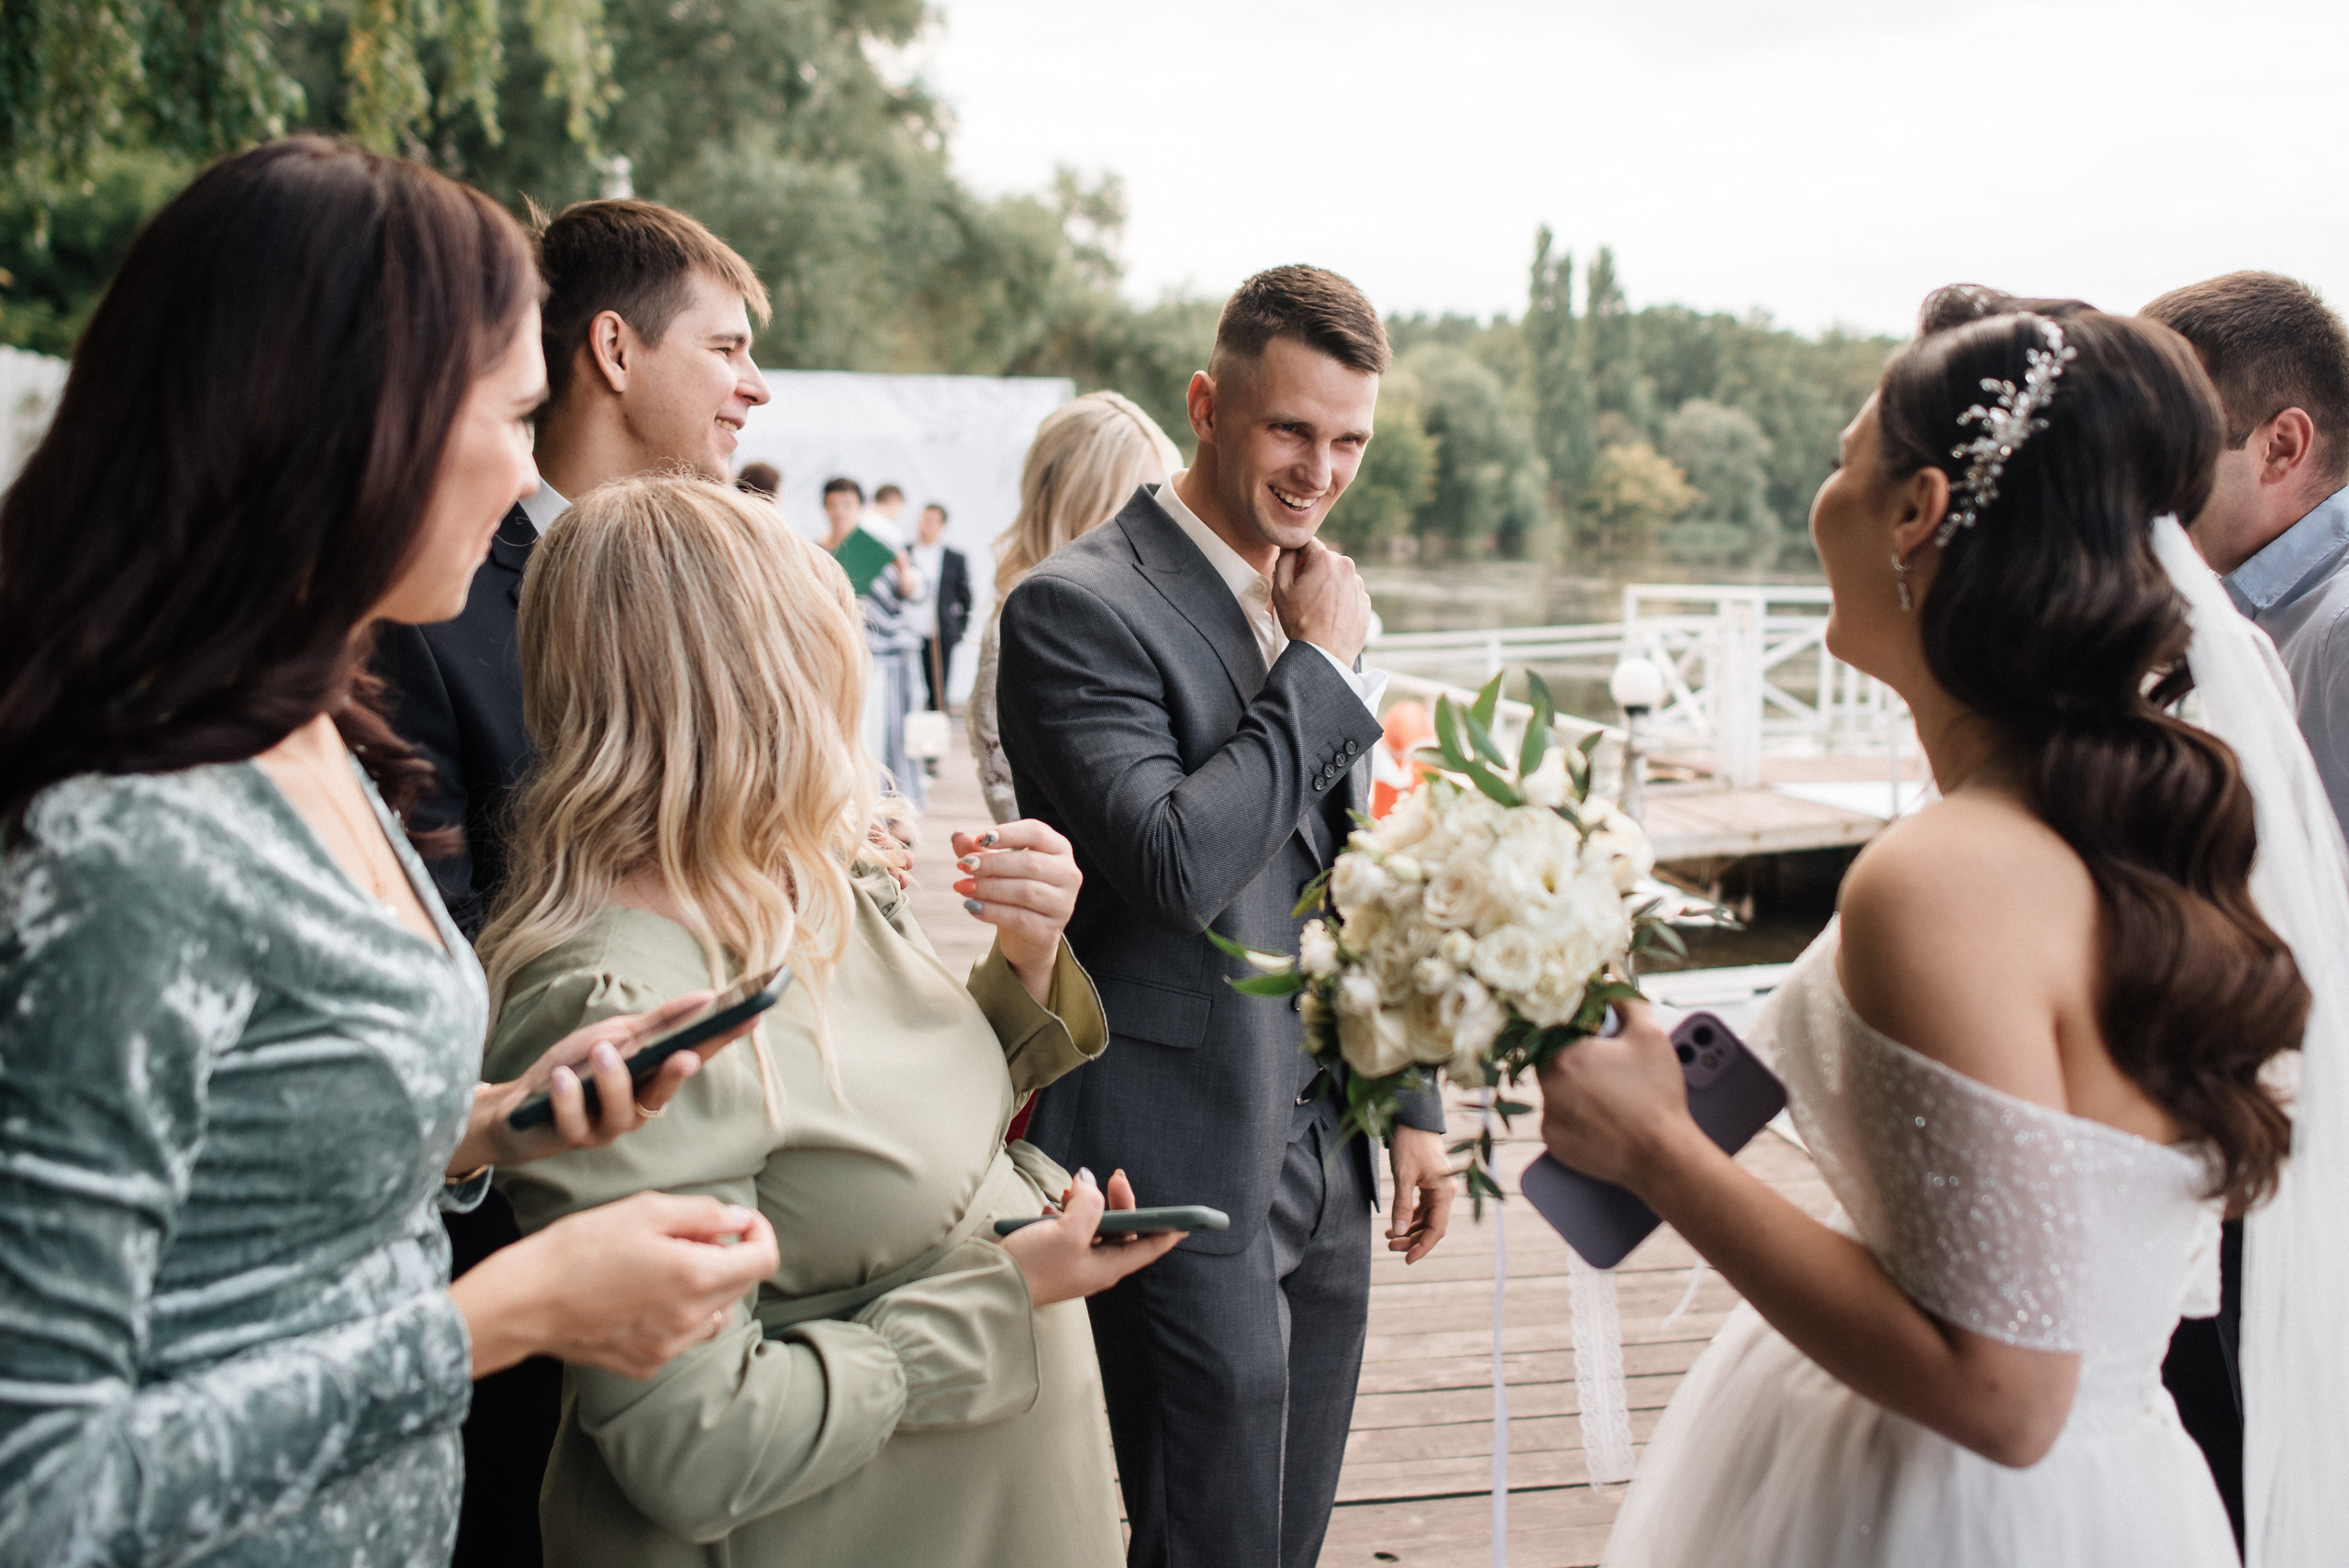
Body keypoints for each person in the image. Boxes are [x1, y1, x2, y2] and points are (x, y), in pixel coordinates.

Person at [0, 138, 780, 1567]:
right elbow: (38, 1485)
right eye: (507, 413)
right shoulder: (130, 848)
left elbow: (255, 1143)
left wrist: (497, 1118)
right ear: (353, 422)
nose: (525, 462)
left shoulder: (313, 730)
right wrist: (507, 1314)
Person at [1543, 295, 2304, 1567]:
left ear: (1918, 510)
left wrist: (1663, 1150)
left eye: (1845, 462)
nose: (1822, 498)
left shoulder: (1946, 876)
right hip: (2117, 1491)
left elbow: (2007, 1396)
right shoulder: (2108, 829)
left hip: (1960, 1512)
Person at [476, 474, 1178, 1567]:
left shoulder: (804, 879)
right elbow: (694, 1445)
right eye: (820, 659)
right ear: (745, 689)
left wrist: (1027, 956)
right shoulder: (623, 1007)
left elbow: (901, 1119)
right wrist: (1007, 1290)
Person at [996, 266, 1454, 1568]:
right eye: (1290, 430)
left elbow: (1354, 868)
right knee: (1207, 1536)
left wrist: (1411, 1103)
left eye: (1349, 440)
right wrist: (1319, 672)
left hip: (1327, 1158)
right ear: (1207, 403)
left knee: (1287, 1534)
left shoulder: (1321, 596)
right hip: (1170, 1150)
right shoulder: (1077, 606)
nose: (1320, 470)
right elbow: (1171, 863)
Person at [368, 195, 775, 1568]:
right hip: (484, 1251)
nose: (754, 385)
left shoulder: (708, 579)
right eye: (725, 348)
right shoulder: (430, 602)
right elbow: (439, 931)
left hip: (639, 1152)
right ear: (614, 349)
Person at [2140, 271, 2349, 1549]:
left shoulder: (2329, 635)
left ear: (2283, 444)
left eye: (2178, 437)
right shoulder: (2246, 629)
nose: (2147, 477)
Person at [972, 391, 1184, 823]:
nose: (1155, 520)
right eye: (1132, 501)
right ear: (1073, 498)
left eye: (1164, 500)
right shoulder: (1029, 629)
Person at [824, 475, 930, 808]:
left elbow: (913, 591)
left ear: (859, 507)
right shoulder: (817, 550)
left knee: (879, 739)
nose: (840, 512)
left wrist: (904, 572)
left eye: (847, 505)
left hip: (880, 660)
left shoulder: (878, 549)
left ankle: (883, 809)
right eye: (833, 505)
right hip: (833, 660)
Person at [909, 502, 972, 712]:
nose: (925, 526)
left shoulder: (954, 558)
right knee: (911, 679)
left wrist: (959, 629)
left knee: (938, 681)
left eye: (932, 521)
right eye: (923, 520)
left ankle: (936, 721)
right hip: (910, 627)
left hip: (940, 629)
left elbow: (966, 597)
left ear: (942, 526)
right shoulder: (906, 552)